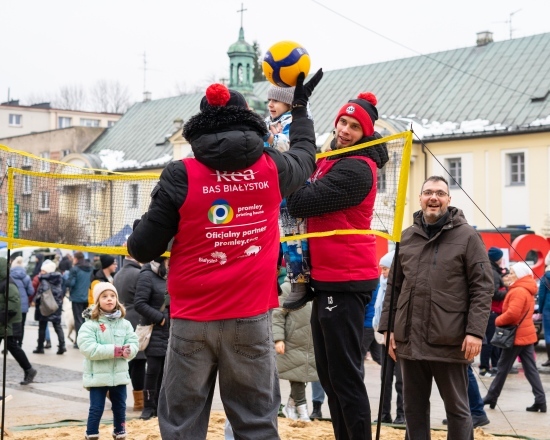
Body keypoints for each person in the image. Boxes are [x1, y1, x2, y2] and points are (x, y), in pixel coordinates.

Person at [127, 70, 323, 439]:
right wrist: (300, 110)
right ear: (248, 120)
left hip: (191, 320)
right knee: (255, 424)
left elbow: (142, 248)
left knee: (182, 425)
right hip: (249, 319)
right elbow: (306, 156)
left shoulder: (180, 174)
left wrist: (146, 221)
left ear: (200, 126)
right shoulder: (272, 168)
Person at [286, 91, 389, 439]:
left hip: (346, 278)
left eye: (354, 126)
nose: (345, 130)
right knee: (330, 375)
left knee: (344, 377)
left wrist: (290, 172)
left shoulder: (358, 168)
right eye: (342, 122)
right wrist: (298, 114)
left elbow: (300, 201)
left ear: (367, 132)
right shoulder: (334, 157)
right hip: (328, 277)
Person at [378, 175, 493, 440]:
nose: (433, 198)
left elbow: (482, 287)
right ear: (420, 198)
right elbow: (394, 288)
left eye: (440, 193)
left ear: (449, 200)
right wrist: (387, 329)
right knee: (413, 409)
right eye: (428, 192)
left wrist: (475, 332)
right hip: (409, 340)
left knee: (457, 409)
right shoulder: (406, 237)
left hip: (449, 339)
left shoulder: (468, 237)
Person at [483, 262, 547, 412]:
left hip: (515, 336)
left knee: (502, 368)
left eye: (512, 272)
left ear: (519, 275)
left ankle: (491, 396)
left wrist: (497, 320)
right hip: (526, 334)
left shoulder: (518, 290)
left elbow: (512, 314)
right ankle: (541, 400)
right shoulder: (527, 289)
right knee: (530, 370)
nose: (509, 275)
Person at [78, 282, 138, 440]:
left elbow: (134, 342)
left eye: (112, 296)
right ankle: (91, 434)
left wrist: (129, 350)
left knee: (120, 406)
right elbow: (88, 348)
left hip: (119, 375)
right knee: (96, 407)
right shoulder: (90, 325)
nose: (109, 299)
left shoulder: (125, 324)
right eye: (104, 296)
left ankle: (120, 432)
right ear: (97, 301)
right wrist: (115, 350)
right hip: (98, 376)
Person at [273, 269, 318, 422]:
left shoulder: (317, 288)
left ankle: (291, 405)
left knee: (304, 374)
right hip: (293, 341)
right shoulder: (287, 289)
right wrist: (278, 338)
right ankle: (302, 409)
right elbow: (277, 314)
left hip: (311, 341)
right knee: (298, 376)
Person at [134, 257, 170, 420]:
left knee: (166, 371)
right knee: (153, 370)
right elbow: (140, 303)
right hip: (155, 329)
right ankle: (148, 407)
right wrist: (160, 318)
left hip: (170, 331)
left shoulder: (170, 275)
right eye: (169, 261)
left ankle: (161, 406)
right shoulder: (147, 275)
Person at [372, 250, 404, 425]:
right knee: (385, 379)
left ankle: (402, 414)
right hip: (384, 338)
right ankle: (384, 413)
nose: (383, 272)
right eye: (382, 269)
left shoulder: (401, 287)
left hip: (399, 339)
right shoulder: (382, 286)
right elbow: (380, 311)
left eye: (386, 269)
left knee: (401, 380)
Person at [113, 252, 145, 412]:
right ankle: (139, 401)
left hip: (122, 320)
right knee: (138, 361)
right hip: (136, 320)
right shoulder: (139, 274)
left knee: (126, 361)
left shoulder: (118, 275)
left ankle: (111, 393)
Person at [0, 257, 37, 385]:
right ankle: (29, 369)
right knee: (13, 347)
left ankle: (29, 369)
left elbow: (14, 305)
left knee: (13, 347)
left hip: (7, 323)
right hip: (3, 322)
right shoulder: (2, 282)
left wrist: (2, 317)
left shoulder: (8, 284)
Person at [479, 247, 508, 376]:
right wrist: (508, 291)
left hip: (491, 311)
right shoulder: (493, 272)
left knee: (492, 341)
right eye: (501, 257)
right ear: (497, 258)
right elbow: (494, 293)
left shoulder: (491, 270)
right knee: (489, 341)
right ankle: (484, 368)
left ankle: (493, 366)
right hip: (492, 311)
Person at [33, 259, 67, 355]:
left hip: (45, 306)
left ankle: (40, 347)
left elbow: (40, 294)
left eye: (43, 271)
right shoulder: (58, 279)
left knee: (42, 327)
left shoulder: (43, 280)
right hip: (56, 306)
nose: (41, 272)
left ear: (47, 271)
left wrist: (36, 303)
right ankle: (62, 346)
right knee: (57, 326)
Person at [68, 251, 93, 347]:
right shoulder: (91, 268)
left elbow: (71, 283)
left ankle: (79, 342)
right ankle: (87, 340)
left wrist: (67, 281)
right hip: (88, 298)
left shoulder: (75, 269)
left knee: (78, 320)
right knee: (86, 320)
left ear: (76, 259)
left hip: (77, 298)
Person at [10, 256, 34, 347]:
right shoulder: (26, 277)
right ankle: (19, 344)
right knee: (21, 325)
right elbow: (31, 291)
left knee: (11, 325)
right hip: (23, 306)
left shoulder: (10, 276)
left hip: (12, 305)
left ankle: (10, 345)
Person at [264, 84, 294, 152]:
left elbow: (287, 146)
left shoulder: (291, 123)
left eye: (275, 100)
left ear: (288, 104)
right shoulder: (267, 121)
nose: (270, 105)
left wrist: (270, 137)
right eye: (269, 100)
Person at [538, 251, 550, 367]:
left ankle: (549, 359)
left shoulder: (545, 277)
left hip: (548, 308)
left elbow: (541, 296)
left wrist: (540, 310)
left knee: (548, 334)